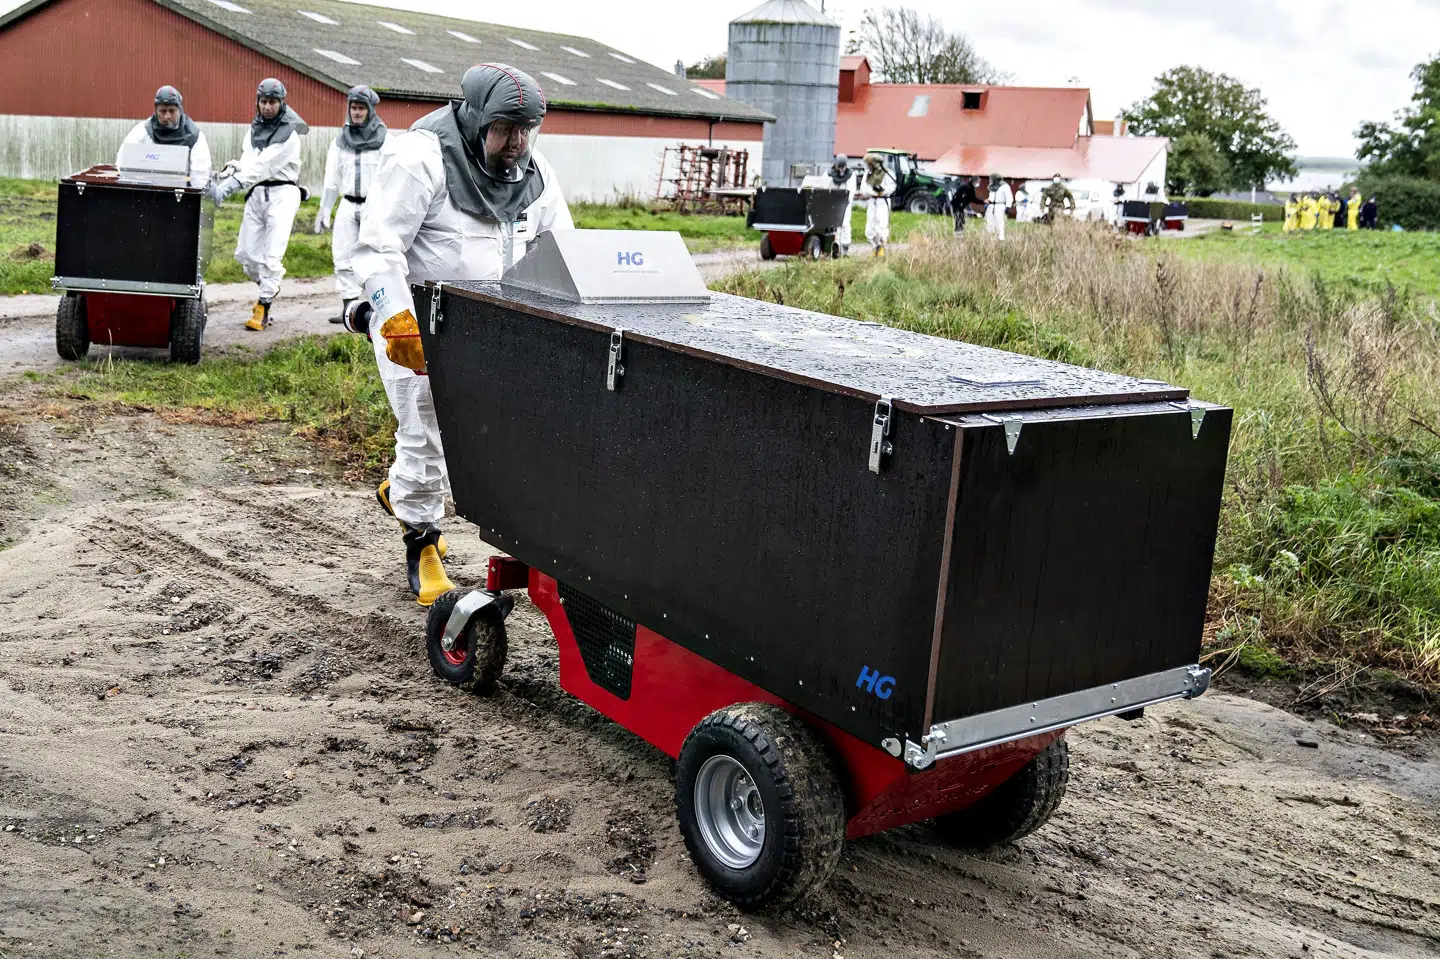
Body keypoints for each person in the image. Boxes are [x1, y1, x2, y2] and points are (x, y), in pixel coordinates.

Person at [344, 63, 573, 607]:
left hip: (492, 328)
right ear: (474, 119)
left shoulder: (536, 176)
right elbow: (377, 248)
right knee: (424, 426)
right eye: (504, 128)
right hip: (421, 322)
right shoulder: (419, 159)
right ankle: (422, 543)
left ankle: (403, 491)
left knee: (483, 436)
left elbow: (561, 250)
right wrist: (396, 318)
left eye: (526, 129)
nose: (517, 142)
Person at [208, 79, 309, 331]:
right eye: (263, 101)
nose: (267, 107)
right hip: (256, 194)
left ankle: (263, 306)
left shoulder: (289, 136)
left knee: (271, 256)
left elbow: (263, 166)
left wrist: (231, 186)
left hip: (282, 194)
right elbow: (249, 161)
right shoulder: (253, 130)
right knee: (245, 255)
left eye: (272, 102)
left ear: (281, 103)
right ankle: (269, 288)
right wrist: (233, 169)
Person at [315, 86, 387, 323]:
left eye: (361, 108)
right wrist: (325, 209)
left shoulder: (384, 140)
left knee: (374, 257)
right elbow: (331, 178)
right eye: (353, 107)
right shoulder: (340, 141)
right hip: (347, 204)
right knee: (343, 256)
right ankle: (349, 310)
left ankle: (380, 308)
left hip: (372, 206)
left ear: (370, 110)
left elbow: (390, 177)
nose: (356, 112)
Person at [117, 85, 212, 182]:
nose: (167, 116)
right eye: (162, 111)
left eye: (172, 111)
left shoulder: (194, 136)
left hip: (182, 190)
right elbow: (122, 161)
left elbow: (200, 175)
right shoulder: (143, 131)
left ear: (179, 109)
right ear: (156, 110)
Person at [859, 152, 895, 256]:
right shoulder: (867, 174)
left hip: (882, 201)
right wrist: (872, 192)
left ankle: (881, 248)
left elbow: (892, 187)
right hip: (872, 201)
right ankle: (874, 247)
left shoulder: (887, 173)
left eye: (870, 164)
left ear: (876, 163)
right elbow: (863, 189)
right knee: (870, 227)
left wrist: (882, 191)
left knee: (881, 225)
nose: (869, 166)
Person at [828, 154, 855, 255]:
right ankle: (835, 247)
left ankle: (845, 248)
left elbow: (851, 190)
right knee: (833, 225)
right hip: (832, 203)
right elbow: (825, 186)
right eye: (839, 167)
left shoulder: (851, 175)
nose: (841, 170)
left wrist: (846, 200)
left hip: (845, 203)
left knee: (845, 224)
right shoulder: (829, 174)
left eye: (842, 167)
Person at [984, 172, 1013, 240]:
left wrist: (1008, 206)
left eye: (991, 179)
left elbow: (1009, 196)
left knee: (1000, 222)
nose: (990, 180)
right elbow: (991, 197)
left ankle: (1001, 238)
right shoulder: (992, 187)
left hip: (1000, 206)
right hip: (991, 206)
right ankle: (991, 237)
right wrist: (987, 202)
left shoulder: (1005, 186)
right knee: (990, 222)